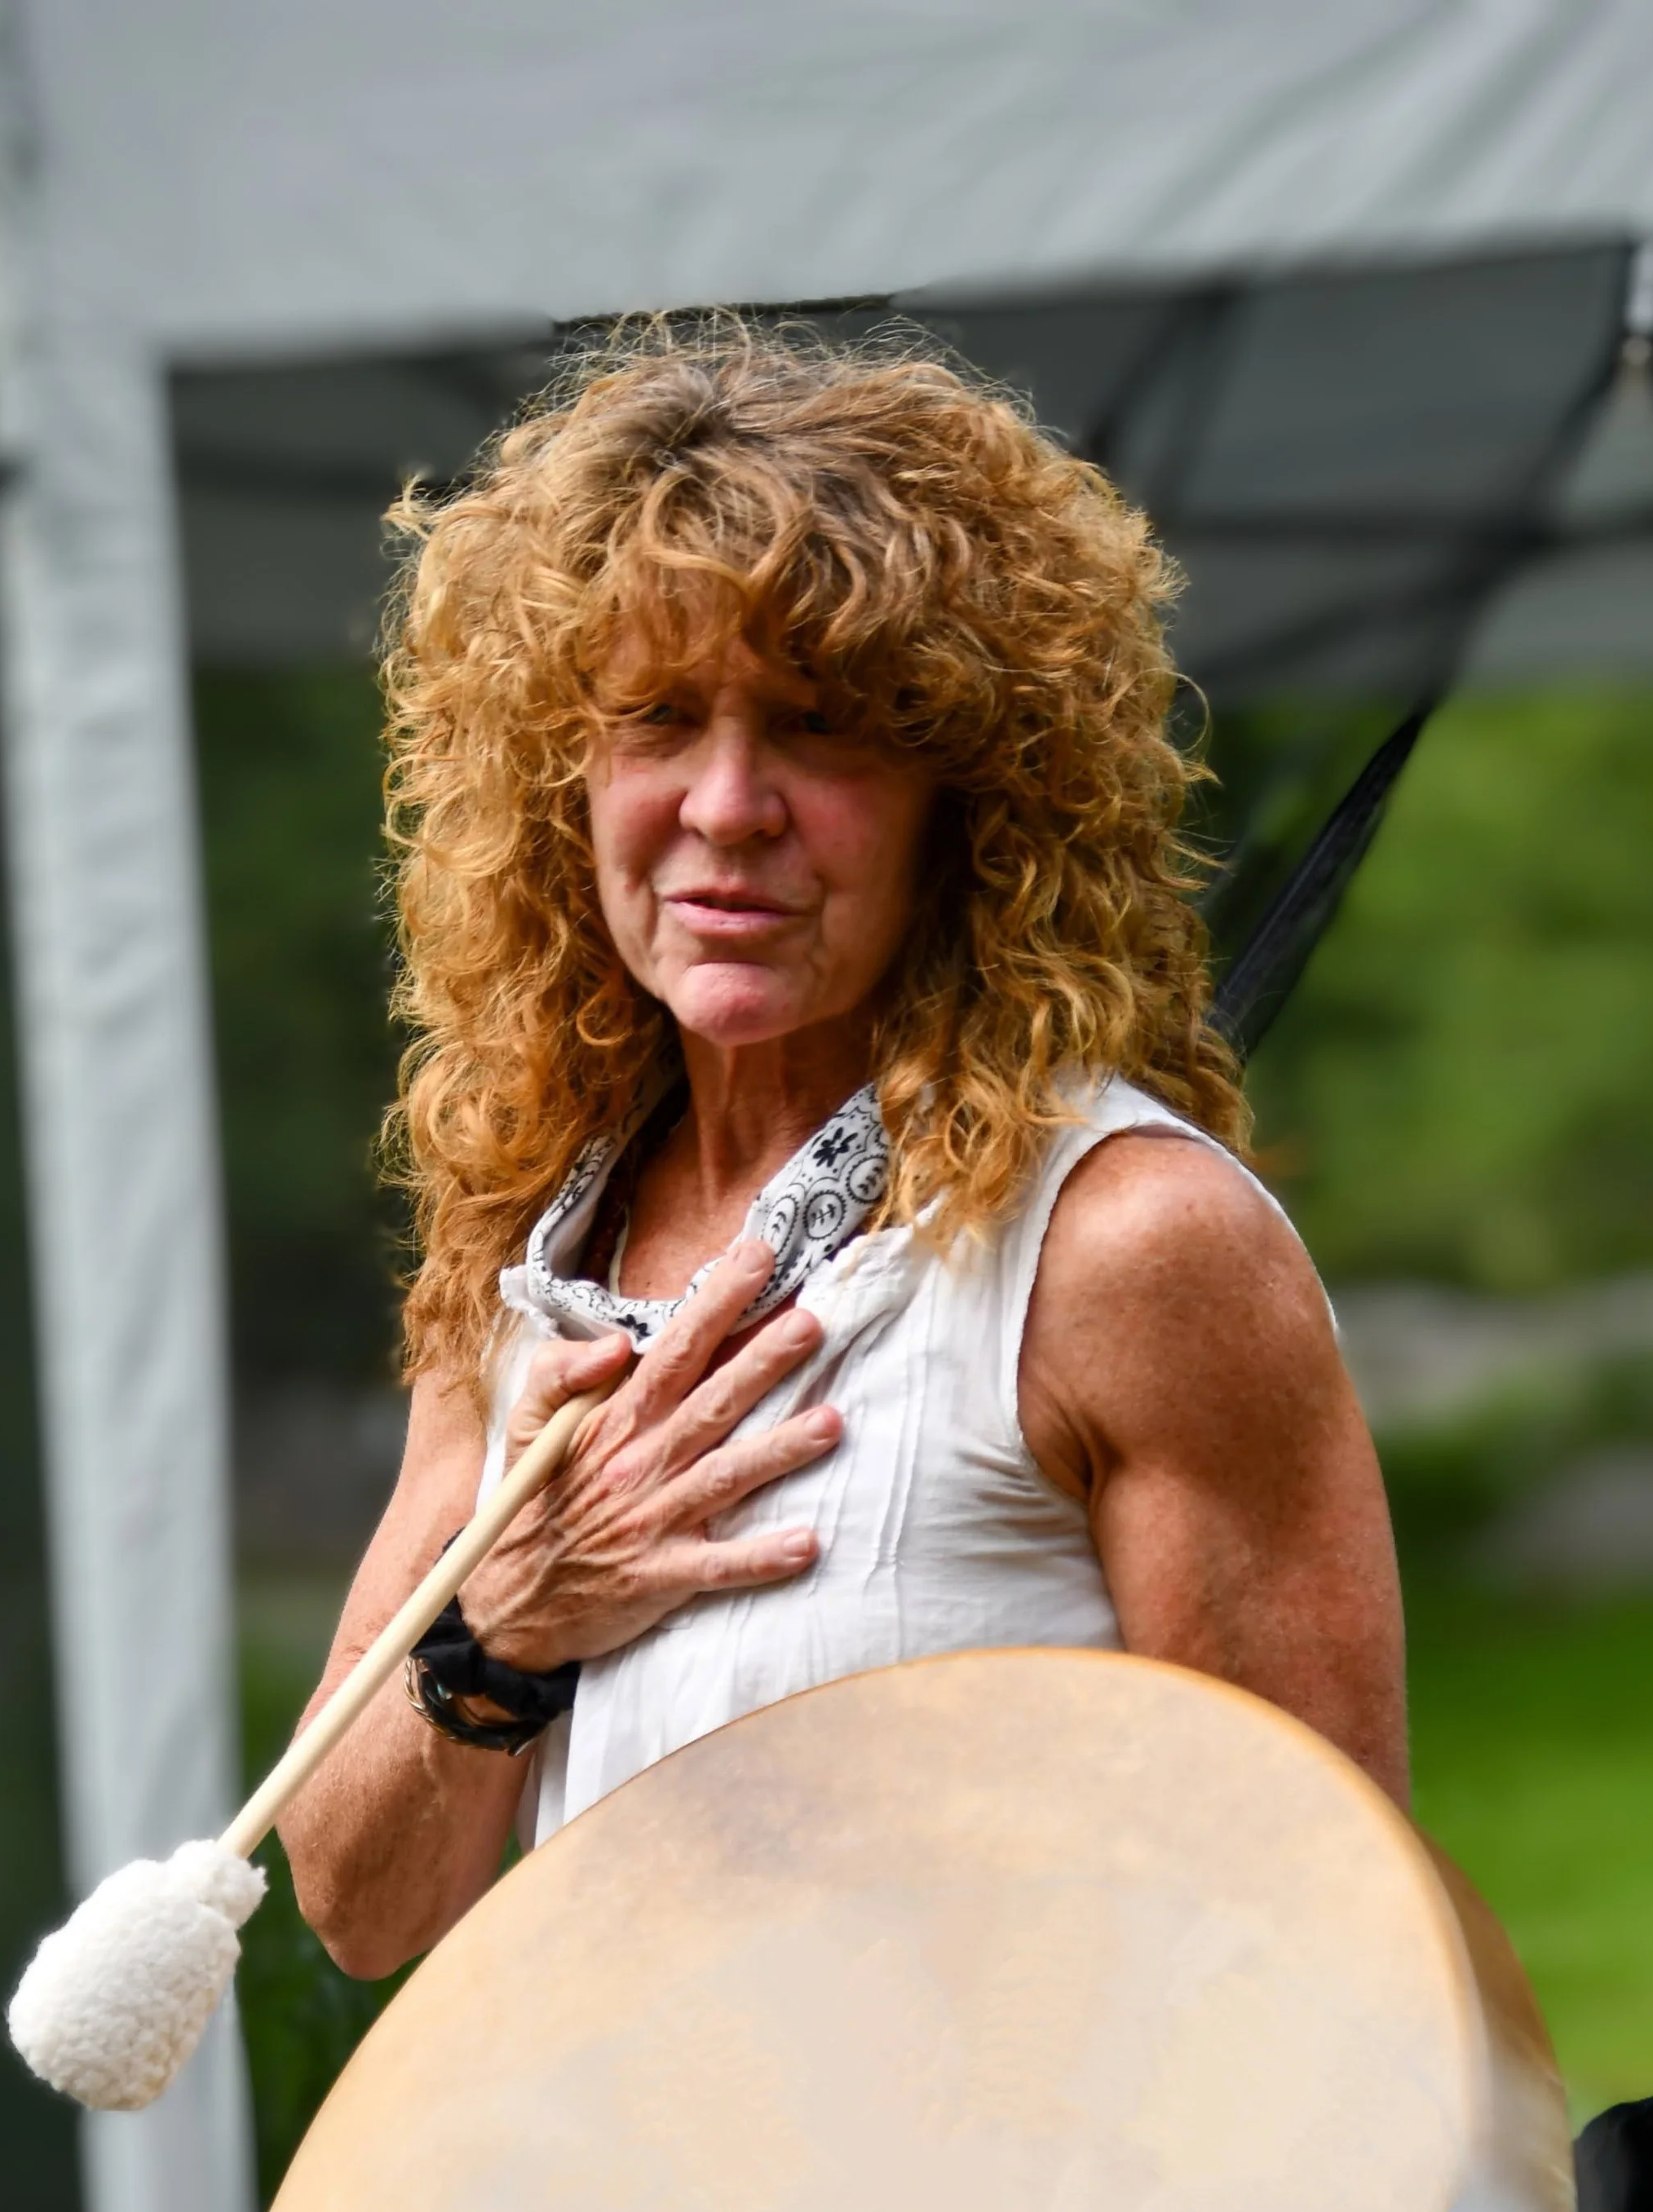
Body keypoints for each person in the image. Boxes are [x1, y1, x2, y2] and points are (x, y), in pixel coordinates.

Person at [280, 321, 1405, 1981]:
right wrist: (500, 1631)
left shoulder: (1121, 1244)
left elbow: (1321, 1946)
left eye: (819, 727)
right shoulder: (538, 1258)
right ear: (557, 781)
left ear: (973, 798)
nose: (728, 804)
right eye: (658, 715)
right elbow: (354, 1903)